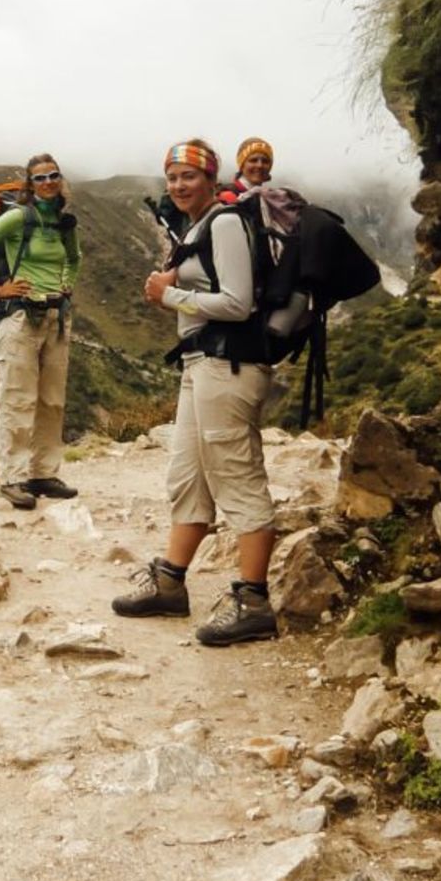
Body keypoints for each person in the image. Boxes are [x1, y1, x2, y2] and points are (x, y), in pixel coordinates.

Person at [111, 139, 278, 646]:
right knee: (188, 473)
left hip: (228, 364)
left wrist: (170, 294)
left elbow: (237, 301)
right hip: (200, 362)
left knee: (235, 472)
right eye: (172, 177)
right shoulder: (199, 226)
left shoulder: (225, 223)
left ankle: (254, 600)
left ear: (211, 178)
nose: (179, 185)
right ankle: (169, 582)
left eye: (189, 176)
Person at [0, 154, 82, 510]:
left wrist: (67, 285)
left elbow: (75, 259)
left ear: (61, 180)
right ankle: (13, 478)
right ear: (30, 185)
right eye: (40, 178)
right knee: (16, 398)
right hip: (20, 318)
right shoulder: (17, 217)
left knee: (51, 399)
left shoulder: (63, 222)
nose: (47, 182)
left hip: (56, 317)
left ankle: (43, 472)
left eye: (53, 176)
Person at [218, 136, 274, 201]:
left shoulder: (270, 197)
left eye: (265, 161)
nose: (260, 165)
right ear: (242, 165)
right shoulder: (227, 196)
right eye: (253, 160)